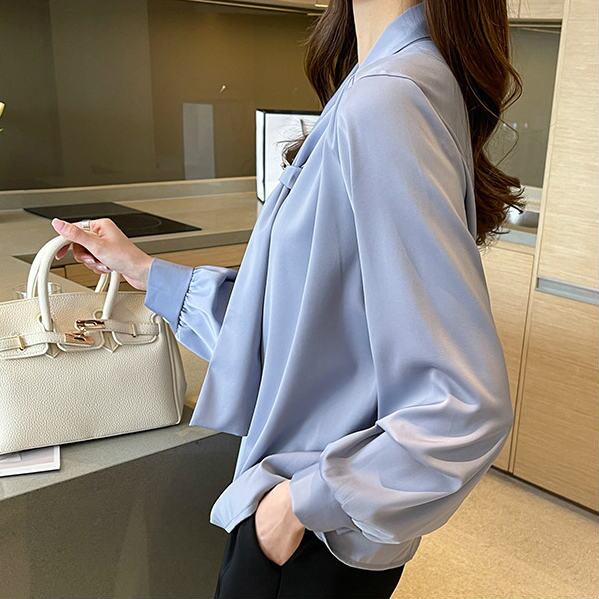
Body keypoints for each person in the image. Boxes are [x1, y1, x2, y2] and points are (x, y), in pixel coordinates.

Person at [51, 1, 524, 597]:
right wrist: (147, 272)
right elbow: (295, 333)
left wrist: (298, 503)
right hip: (316, 530)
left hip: (306, 539)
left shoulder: (387, 97)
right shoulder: (394, 78)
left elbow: (465, 406)